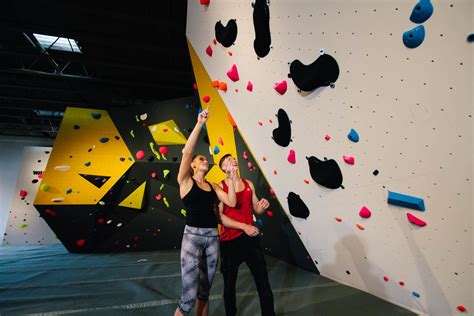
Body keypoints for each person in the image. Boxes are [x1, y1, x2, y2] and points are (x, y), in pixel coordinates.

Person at [174, 107, 238, 316]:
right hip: (192, 237)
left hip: (212, 237)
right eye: (200, 159)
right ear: (192, 165)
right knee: (188, 296)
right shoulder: (185, 181)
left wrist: (232, 176)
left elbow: (231, 201)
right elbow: (187, 151)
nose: (204, 161)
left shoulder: (213, 186)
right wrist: (200, 123)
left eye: (205, 159)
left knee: (204, 291)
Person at [217, 153, 275, 316]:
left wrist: (262, 207)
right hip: (229, 242)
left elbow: (256, 208)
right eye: (228, 160)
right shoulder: (220, 187)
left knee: (263, 282)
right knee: (229, 286)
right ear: (223, 168)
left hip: (251, 240)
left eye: (233, 159)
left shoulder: (248, 183)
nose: (233, 160)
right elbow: (220, 216)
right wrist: (243, 226)